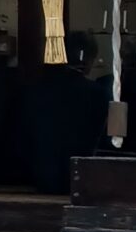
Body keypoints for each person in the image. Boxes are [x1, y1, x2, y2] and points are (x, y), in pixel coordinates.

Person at [20, 31, 110, 193]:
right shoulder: (95, 93)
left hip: (38, 175)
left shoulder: (36, 89)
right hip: (81, 175)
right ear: (88, 60)